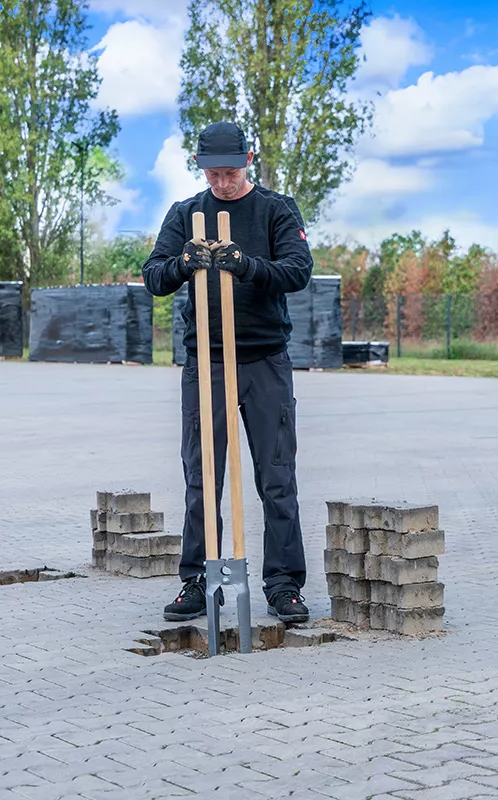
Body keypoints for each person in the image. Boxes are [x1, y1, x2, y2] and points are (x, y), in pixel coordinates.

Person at [142, 121, 313, 624]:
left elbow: (298, 270)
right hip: (207, 364)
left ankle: (284, 586)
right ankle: (197, 580)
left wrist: (247, 265)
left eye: (230, 173)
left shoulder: (275, 211)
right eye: (213, 174)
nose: (222, 183)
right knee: (202, 476)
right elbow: (153, 275)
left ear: (249, 160)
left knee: (277, 477)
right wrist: (182, 264)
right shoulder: (186, 214)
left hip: (264, 362)